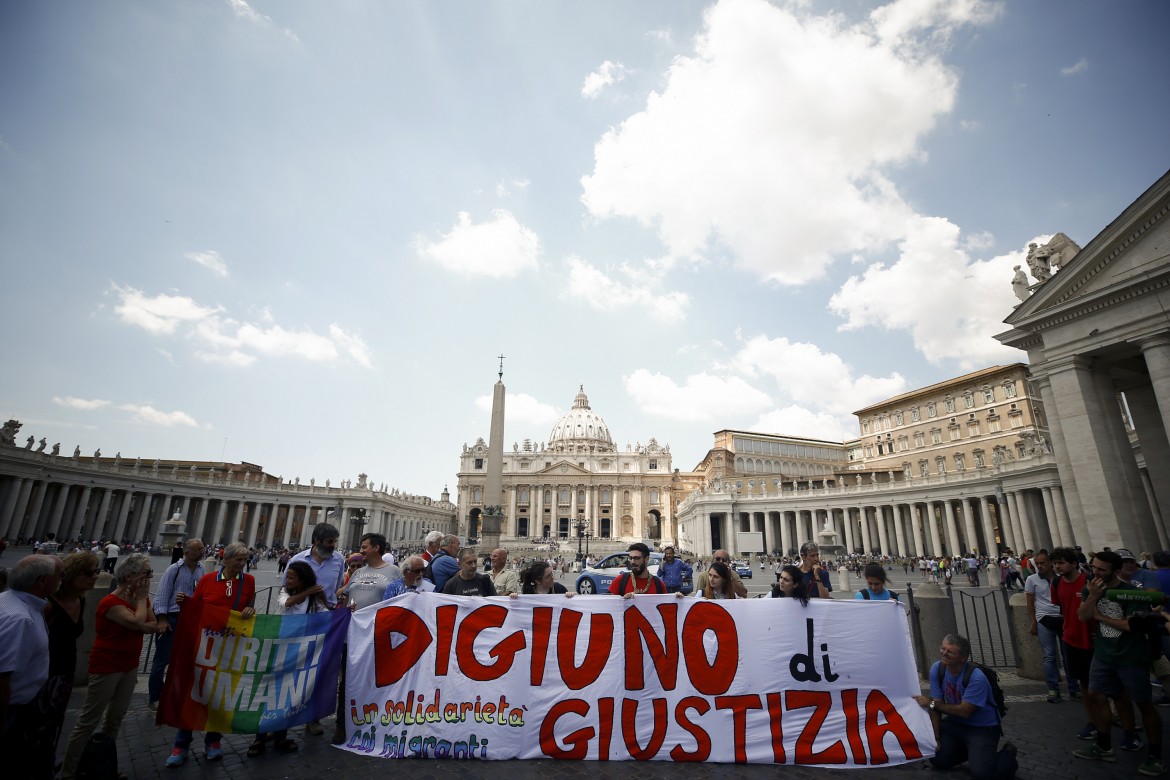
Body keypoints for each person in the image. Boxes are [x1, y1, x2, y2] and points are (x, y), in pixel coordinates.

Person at [61, 553, 167, 780]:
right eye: (147, 573)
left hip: (129, 664)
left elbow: (152, 626)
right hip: (107, 665)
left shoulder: (140, 600)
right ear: (130, 576)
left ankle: (104, 765)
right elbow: (140, 622)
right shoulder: (110, 602)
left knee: (115, 718)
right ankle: (68, 772)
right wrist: (141, 603)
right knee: (89, 720)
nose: (150, 577)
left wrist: (141, 612)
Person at [1073, 550, 1164, 775]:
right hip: (1104, 655)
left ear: (1115, 571)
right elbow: (1083, 616)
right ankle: (1104, 746)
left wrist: (1100, 616)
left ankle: (1155, 755)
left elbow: (1132, 626)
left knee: (1144, 704)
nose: (1095, 572)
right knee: (1096, 697)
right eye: (1094, 567)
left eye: (1101, 569)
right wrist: (1093, 597)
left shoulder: (1132, 593)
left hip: (1131, 656)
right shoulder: (1091, 588)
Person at [166, 542, 256, 767]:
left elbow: (250, 606)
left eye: (245, 560)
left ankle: (213, 740)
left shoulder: (249, 581)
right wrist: (183, 604)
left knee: (220, 694)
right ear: (225, 559)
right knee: (193, 691)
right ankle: (181, 743)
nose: (243, 564)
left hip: (229, 647)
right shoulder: (207, 580)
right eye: (239, 559)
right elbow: (194, 611)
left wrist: (250, 610)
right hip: (204, 646)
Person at [915, 634, 1018, 779]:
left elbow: (964, 711)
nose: (944, 653)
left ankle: (1008, 753)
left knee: (982, 775)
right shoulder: (937, 669)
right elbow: (935, 707)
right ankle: (972, 751)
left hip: (982, 727)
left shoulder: (977, 678)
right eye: (942, 649)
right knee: (937, 759)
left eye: (950, 652)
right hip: (956, 724)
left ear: (963, 658)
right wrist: (936, 738)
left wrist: (931, 703)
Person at [249, 561, 325, 757]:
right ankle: (259, 737)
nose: (288, 580)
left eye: (292, 578)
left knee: (286, 695)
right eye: (287, 577)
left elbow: (327, 616)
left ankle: (280, 736)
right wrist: (307, 593)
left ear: (303, 579)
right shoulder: (285, 592)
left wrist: (345, 613)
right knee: (268, 693)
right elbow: (287, 603)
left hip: (298, 652)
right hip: (278, 649)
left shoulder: (315, 599)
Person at [0, 555, 63, 779]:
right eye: (60, 576)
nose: (61, 581)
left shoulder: (12, 602)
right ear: (42, 581)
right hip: (14, 710)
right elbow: (2, 677)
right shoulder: (20, 619)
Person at [41, 552, 99, 770]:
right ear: (72, 575)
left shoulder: (80, 600)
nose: (95, 576)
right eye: (90, 572)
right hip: (41, 676)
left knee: (53, 726)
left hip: (65, 673)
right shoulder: (46, 605)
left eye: (97, 571)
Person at [285, 524, 344, 738]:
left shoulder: (338, 560)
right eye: (329, 542)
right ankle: (283, 716)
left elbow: (335, 590)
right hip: (299, 622)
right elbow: (286, 591)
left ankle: (313, 717)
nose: (333, 546)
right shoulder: (297, 560)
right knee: (293, 668)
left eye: (334, 542)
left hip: (325, 620)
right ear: (317, 541)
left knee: (319, 669)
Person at [149, 538, 206, 711]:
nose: (202, 551)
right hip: (173, 618)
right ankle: (155, 697)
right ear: (187, 552)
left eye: (202, 548)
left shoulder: (201, 570)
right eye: (198, 549)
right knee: (162, 660)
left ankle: (175, 693)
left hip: (191, 620)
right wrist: (162, 619)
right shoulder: (173, 570)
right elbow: (161, 595)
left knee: (184, 659)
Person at [1049, 547, 1091, 734]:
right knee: (1085, 684)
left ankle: (1115, 718)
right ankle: (1094, 722)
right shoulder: (1057, 582)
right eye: (1055, 563)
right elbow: (1061, 607)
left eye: (1061, 563)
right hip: (1070, 637)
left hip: (1092, 639)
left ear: (1074, 563)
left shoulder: (1089, 582)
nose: (1057, 567)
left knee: (1103, 686)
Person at [1023, 550, 1065, 703]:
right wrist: (1033, 622)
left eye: (1042, 563)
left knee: (1068, 655)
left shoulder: (1061, 578)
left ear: (1050, 563)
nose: (1039, 566)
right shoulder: (1032, 579)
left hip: (1063, 618)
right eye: (1037, 563)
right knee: (1049, 655)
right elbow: (1029, 602)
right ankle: (1053, 687)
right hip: (1044, 619)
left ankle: (1074, 687)